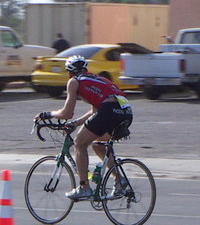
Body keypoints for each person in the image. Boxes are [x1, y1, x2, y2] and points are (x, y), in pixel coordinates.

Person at [35, 55, 133, 200]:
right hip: (126, 112)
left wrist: (47, 114)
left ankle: (84, 188)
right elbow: (95, 112)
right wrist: (75, 123)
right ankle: (120, 180)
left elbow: (67, 113)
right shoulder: (99, 80)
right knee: (98, 145)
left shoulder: (74, 81)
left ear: (69, 72)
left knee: (79, 143)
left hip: (109, 111)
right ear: (85, 69)